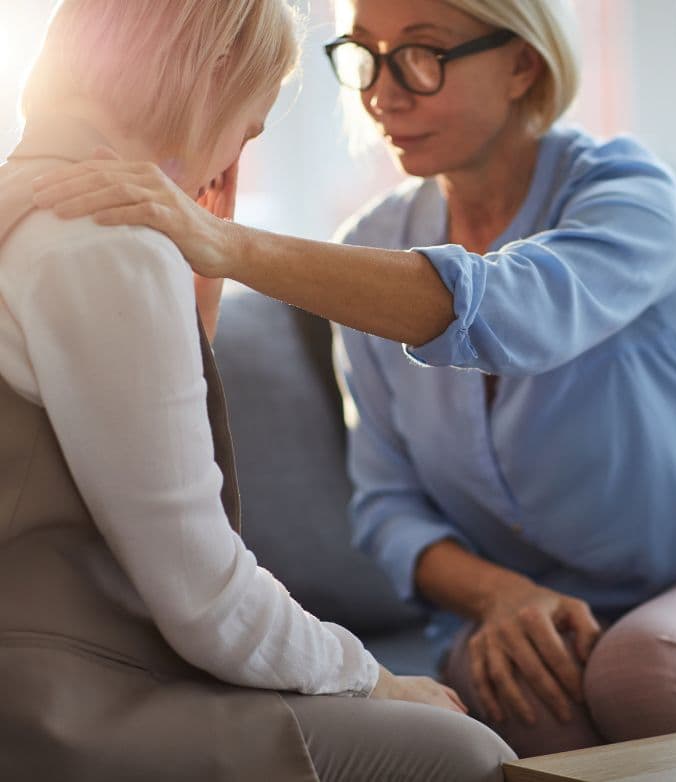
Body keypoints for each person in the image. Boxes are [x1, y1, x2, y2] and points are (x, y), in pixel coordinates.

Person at [32, 0, 676, 759]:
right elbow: (387, 506)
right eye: (367, 56)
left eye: (421, 53)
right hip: (526, 609)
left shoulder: (631, 195)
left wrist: (222, 242)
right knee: (528, 709)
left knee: (644, 670)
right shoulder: (375, 243)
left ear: (521, 64)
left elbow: (520, 314)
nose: (383, 91)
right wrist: (498, 596)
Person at [0, 1, 514, 780]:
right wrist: (375, 680)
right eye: (250, 124)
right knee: (468, 756)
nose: (236, 155)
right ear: (209, 75)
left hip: (43, 682)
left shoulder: (24, 204)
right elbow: (203, 596)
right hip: (63, 708)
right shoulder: (105, 242)